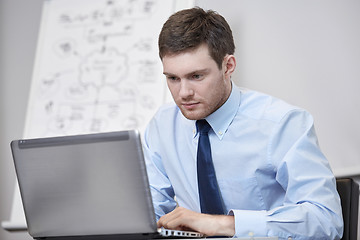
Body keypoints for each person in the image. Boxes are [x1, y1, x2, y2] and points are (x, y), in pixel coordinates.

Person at [143, 7, 343, 239]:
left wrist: (224, 225)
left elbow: (326, 220)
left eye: (196, 76)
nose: (183, 93)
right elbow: (151, 211)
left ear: (228, 66)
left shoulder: (281, 123)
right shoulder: (163, 125)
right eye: (173, 78)